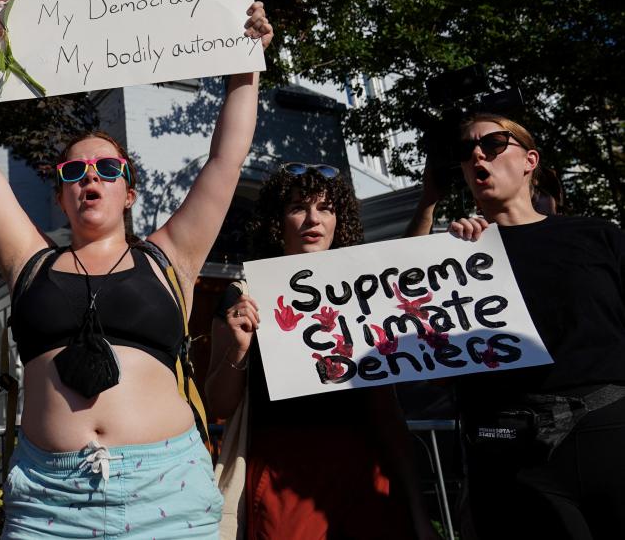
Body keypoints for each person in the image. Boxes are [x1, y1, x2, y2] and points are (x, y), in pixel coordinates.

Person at [0, 2, 272, 539]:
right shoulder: (30, 262)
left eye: (108, 169)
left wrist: (245, 65)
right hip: (49, 501)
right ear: (62, 196)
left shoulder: (170, 255)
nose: (91, 178)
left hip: (167, 489)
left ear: (129, 191)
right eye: (74, 171)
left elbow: (226, 160)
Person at [407, 113, 625, 540]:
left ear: (530, 160)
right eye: (465, 151)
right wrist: (429, 205)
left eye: (492, 144)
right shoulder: (458, 257)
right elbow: (407, 313)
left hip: (607, 432)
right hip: (508, 453)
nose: (476, 155)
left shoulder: (598, 234)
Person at [204, 164, 433, 540]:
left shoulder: (364, 291)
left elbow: (386, 412)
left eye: (325, 208)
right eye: (298, 207)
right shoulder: (242, 294)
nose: (313, 218)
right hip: (283, 476)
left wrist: (418, 514)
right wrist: (240, 348)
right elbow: (217, 404)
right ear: (276, 220)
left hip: (365, 471)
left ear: (338, 219)